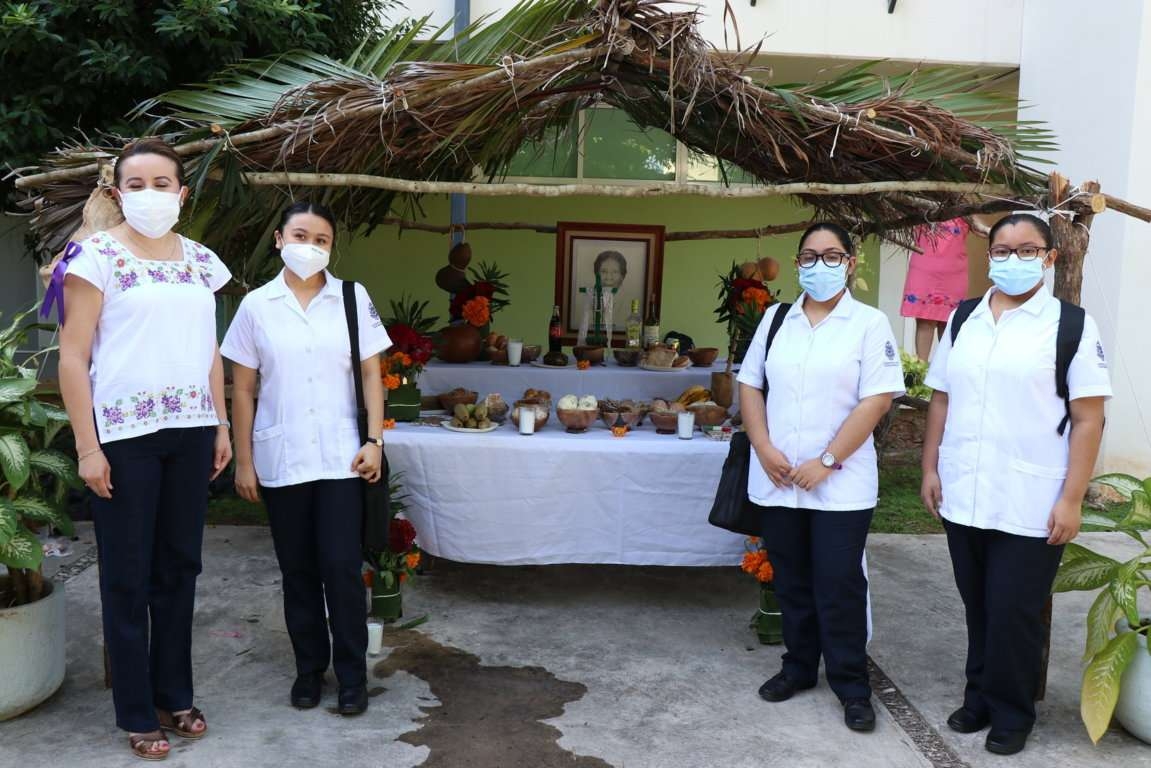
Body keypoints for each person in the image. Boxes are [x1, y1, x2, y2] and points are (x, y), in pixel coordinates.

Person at [56, 138, 232, 760]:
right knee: (127, 577)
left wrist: (220, 425)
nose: (151, 195)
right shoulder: (93, 257)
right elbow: (73, 357)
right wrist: (87, 447)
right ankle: (136, 709)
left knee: (179, 568)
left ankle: (174, 692)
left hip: (189, 433)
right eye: (138, 184)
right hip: (123, 437)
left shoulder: (203, 262)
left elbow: (208, 350)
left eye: (164, 184)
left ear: (183, 194)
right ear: (115, 194)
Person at [920, 213, 1110, 755]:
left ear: (1050, 258)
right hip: (965, 488)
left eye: (1027, 249)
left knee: (1015, 610)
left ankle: (1012, 711)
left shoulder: (1070, 325)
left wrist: (1072, 497)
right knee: (977, 604)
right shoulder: (964, 319)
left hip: (1032, 496)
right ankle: (977, 695)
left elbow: (1089, 417)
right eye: (1001, 249)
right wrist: (931, 467)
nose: (1012, 258)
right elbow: (941, 397)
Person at [221, 201, 390, 716]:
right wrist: (244, 460)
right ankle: (308, 670)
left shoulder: (351, 297)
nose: (310, 246)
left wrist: (375, 440)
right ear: (278, 240)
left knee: (341, 567)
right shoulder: (256, 306)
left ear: (330, 247)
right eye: (301, 235)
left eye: (321, 239)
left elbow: (370, 375)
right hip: (283, 458)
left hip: (342, 459)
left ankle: (354, 675)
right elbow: (243, 391)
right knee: (297, 572)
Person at [737, 222, 904, 733]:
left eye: (832, 256)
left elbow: (877, 399)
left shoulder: (869, 324)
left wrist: (827, 461)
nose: (820, 265)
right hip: (780, 479)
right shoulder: (775, 318)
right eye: (810, 256)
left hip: (841, 483)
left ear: (850, 263)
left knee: (839, 583)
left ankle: (852, 685)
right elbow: (750, 384)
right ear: (797, 264)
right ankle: (799, 667)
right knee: (791, 581)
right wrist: (763, 447)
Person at [900, 218, 970, 361]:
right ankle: (921, 372)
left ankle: (945, 375)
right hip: (925, 269)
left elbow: (983, 231)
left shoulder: (965, 213)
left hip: (954, 272)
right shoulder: (921, 207)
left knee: (949, 322)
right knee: (925, 321)